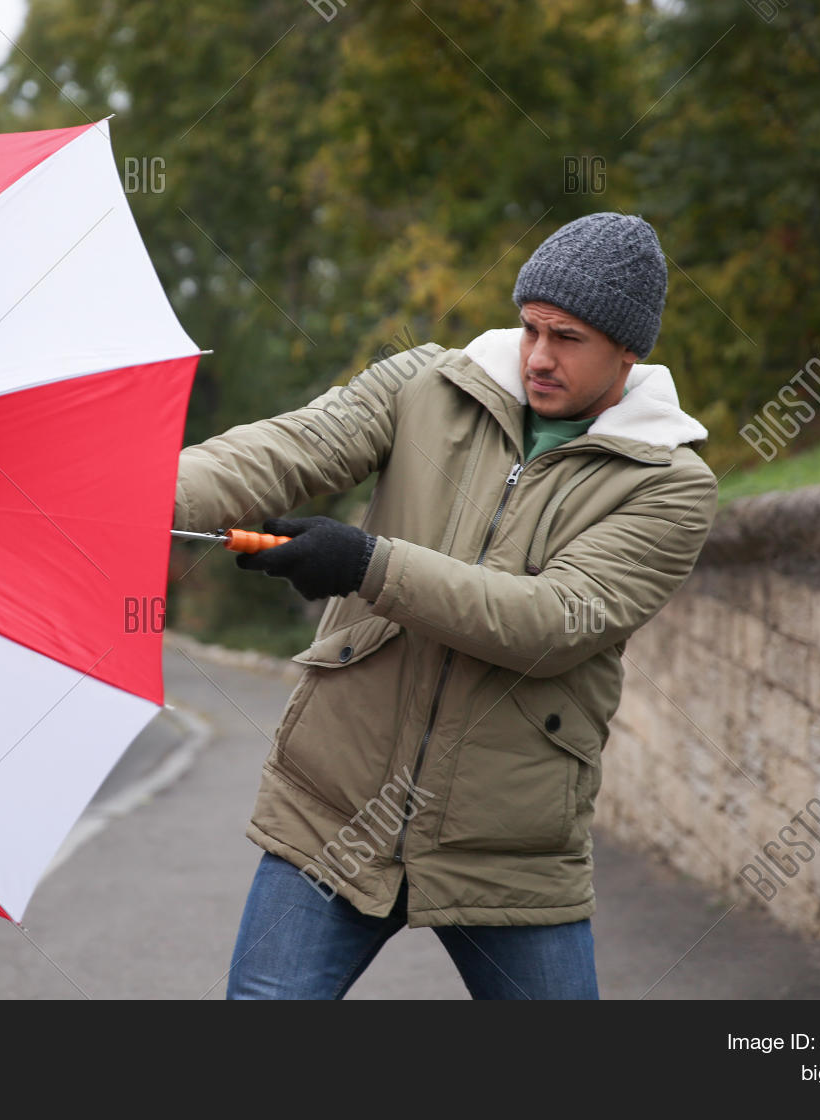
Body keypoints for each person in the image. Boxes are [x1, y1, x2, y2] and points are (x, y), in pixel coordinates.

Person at [172, 212, 719, 999]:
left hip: (510, 841)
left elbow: (552, 623)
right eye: (531, 327)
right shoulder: (425, 382)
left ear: (628, 351)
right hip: (335, 807)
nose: (538, 355)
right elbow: (284, 450)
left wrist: (365, 562)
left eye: (567, 338)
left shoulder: (669, 484)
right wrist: (123, 496)